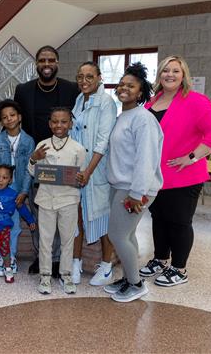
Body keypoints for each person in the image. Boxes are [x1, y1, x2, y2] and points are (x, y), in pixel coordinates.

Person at [139, 56, 211, 287]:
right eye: (165, 70)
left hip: (184, 176)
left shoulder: (195, 101)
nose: (169, 74)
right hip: (155, 177)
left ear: (183, 75)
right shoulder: (152, 101)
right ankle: (160, 259)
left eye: (175, 71)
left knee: (178, 222)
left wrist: (192, 157)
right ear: (159, 75)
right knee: (158, 219)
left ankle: (179, 268)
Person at [14, 45, 80, 275]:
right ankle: (42, 257)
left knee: (63, 211)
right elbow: (18, 123)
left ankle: (60, 261)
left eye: (51, 60)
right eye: (42, 60)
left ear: (58, 63)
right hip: (39, 160)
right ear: (36, 64)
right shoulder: (23, 90)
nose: (47, 64)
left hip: (64, 159)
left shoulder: (71, 89)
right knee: (40, 211)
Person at [103, 63, 163, 303]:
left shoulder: (143, 119)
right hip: (121, 185)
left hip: (134, 189)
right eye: (121, 84)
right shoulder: (123, 116)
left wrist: (137, 193)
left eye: (131, 85)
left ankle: (136, 285)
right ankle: (130, 277)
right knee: (127, 235)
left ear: (140, 92)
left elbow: (145, 159)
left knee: (117, 235)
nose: (124, 88)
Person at [28, 107, 86, 295]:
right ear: (49, 123)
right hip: (46, 200)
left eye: (63, 122)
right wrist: (34, 159)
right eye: (54, 121)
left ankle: (66, 274)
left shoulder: (77, 148)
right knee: (45, 240)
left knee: (67, 240)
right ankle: (45, 276)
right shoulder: (42, 146)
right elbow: (32, 172)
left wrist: (82, 178)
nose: (58, 125)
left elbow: (82, 175)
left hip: (69, 200)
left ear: (70, 124)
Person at [71, 61, 117, 286]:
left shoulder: (106, 102)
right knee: (77, 216)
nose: (84, 81)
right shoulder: (79, 100)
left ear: (99, 78)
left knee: (101, 218)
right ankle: (75, 263)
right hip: (78, 170)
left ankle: (107, 266)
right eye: (80, 76)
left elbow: (103, 140)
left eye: (89, 76)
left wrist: (89, 171)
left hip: (96, 170)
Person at [0, 99, 35, 276]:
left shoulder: (28, 140)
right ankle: (0, 258)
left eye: (12, 115)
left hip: (18, 190)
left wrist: (23, 191)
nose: (9, 119)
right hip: (0, 190)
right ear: (1, 121)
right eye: (4, 117)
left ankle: (12, 257)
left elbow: (30, 169)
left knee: (14, 226)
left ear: (20, 117)